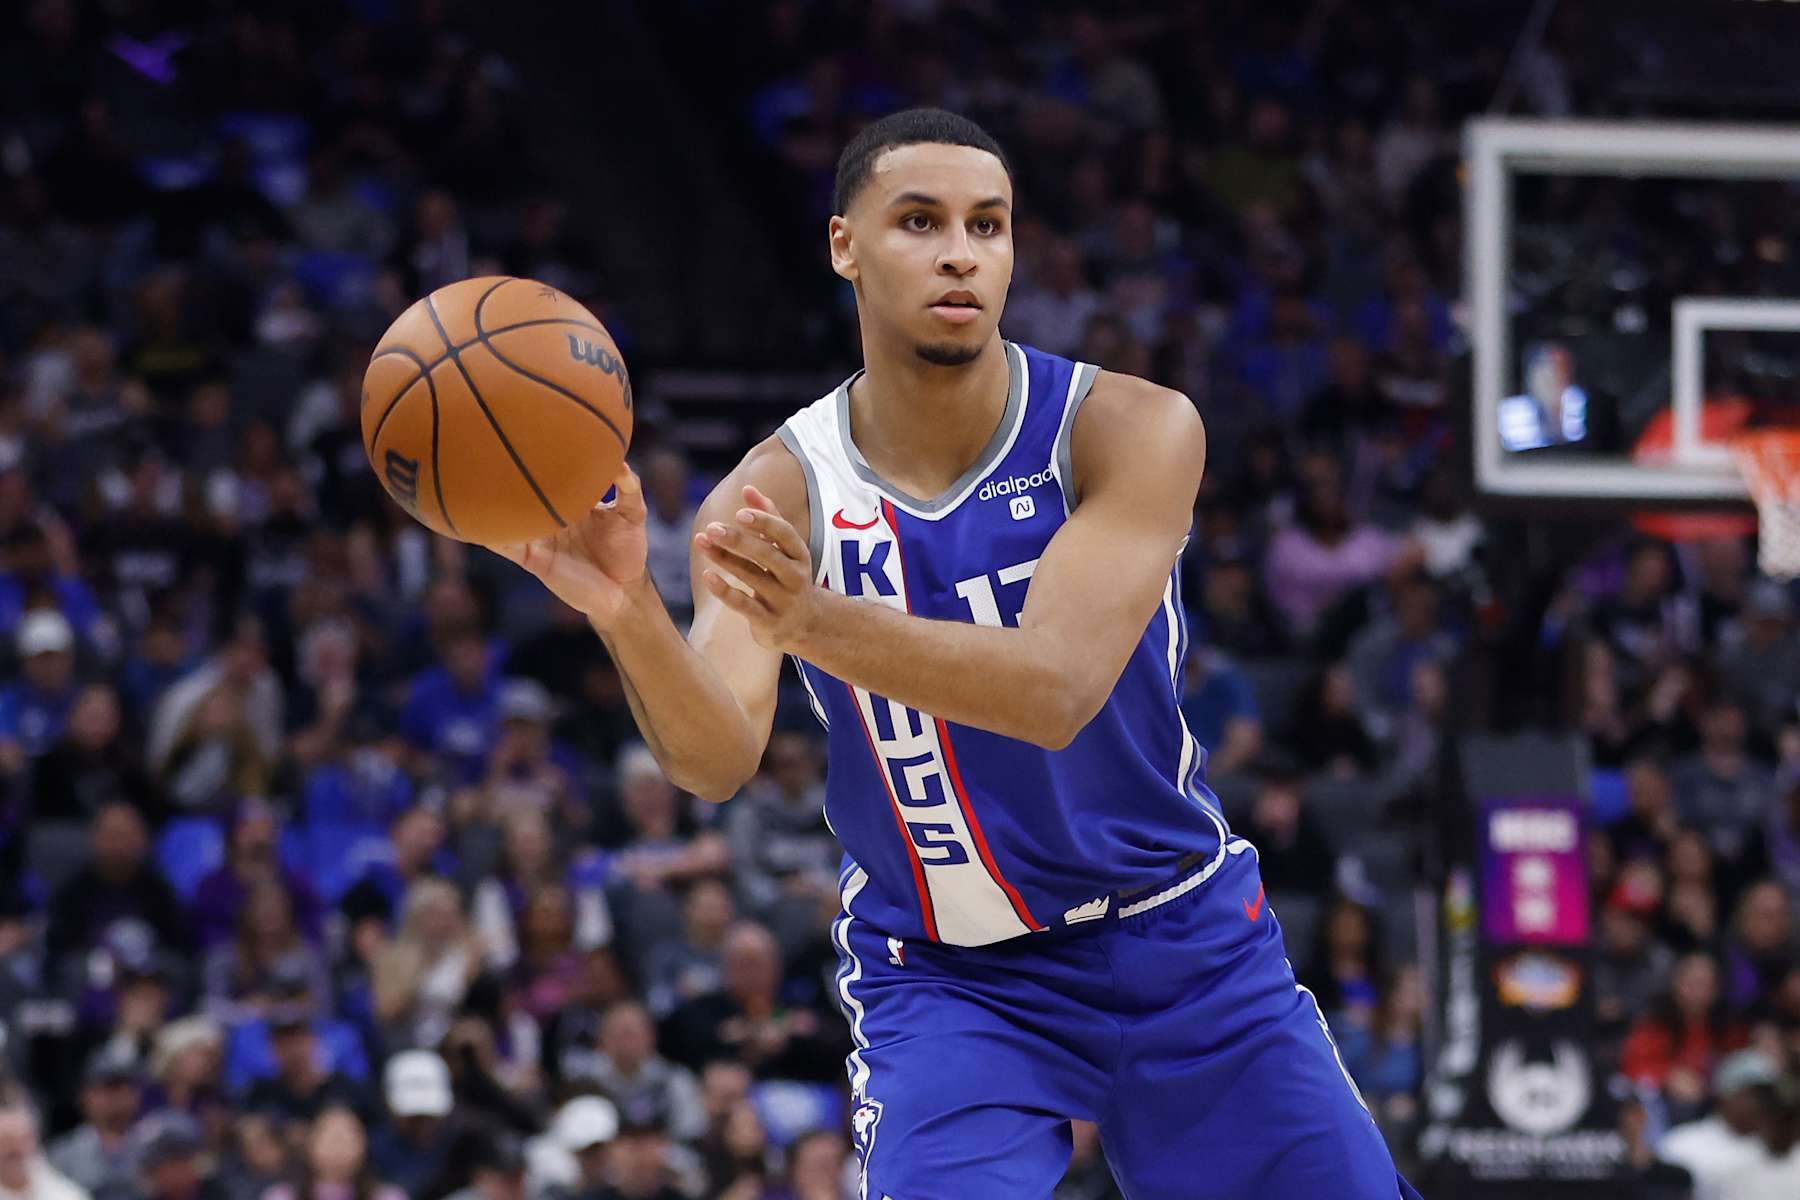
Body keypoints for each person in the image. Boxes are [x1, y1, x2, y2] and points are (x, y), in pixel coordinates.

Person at [490, 108, 1414, 1198]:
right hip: (953, 982)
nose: (960, 252)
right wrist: (629, 607)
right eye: (919, 221)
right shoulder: (777, 492)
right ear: (845, 246)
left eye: (989, 225)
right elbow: (715, 759)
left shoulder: (1128, 427)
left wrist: (813, 621)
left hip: (1183, 942)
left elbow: (1057, 689)